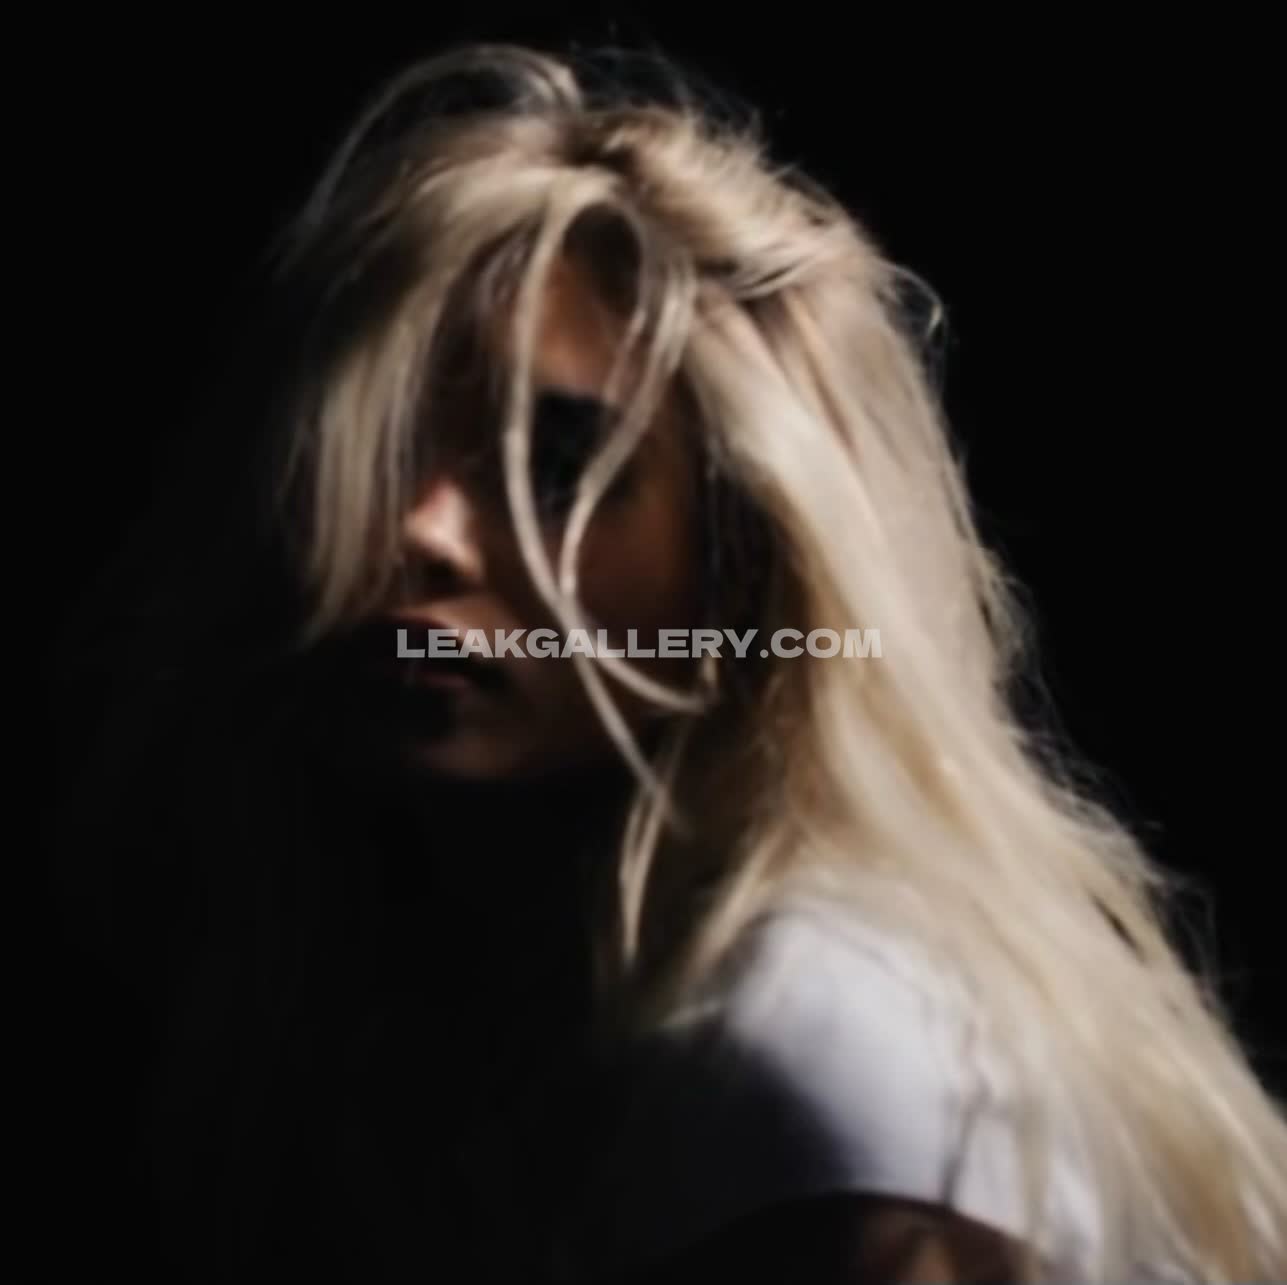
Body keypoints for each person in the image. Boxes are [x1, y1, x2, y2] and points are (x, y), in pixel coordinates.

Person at [48, 41, 1287, 1283]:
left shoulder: (809, 1055)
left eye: (558, 467)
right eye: (374, 447)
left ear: (741, 563)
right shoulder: (447, 1023)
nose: (422, 529)